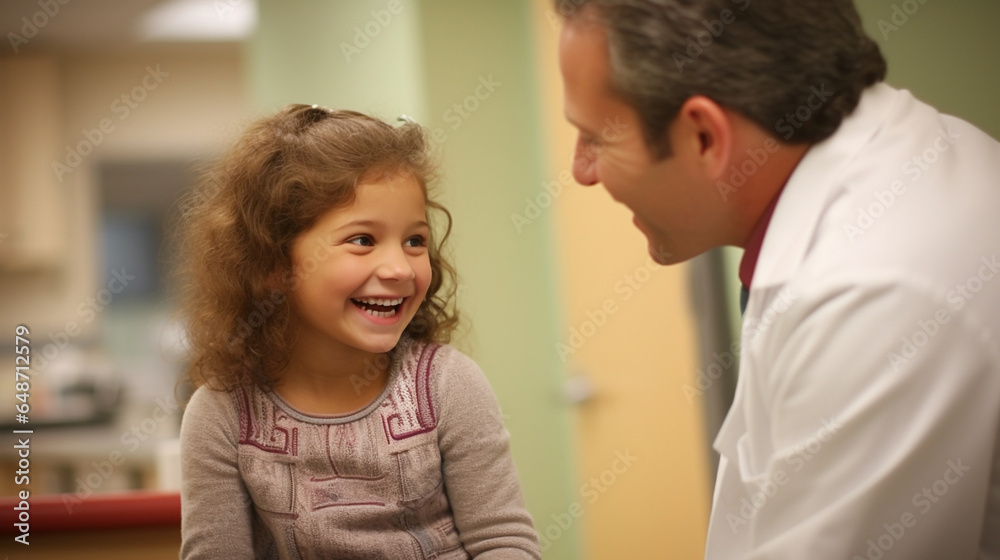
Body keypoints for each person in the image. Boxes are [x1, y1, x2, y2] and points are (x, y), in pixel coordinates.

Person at [554, 0, 1000, 558]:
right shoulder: (893, 167)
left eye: (596, 136)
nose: (581, 171)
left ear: (705, 138)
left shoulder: (874, 294)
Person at [174, 105, 541, 559]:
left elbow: (504, 544)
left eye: (415, 241)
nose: (399, 268)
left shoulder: (449, 386)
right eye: (363, 240)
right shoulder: (222, 414)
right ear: (272, 264)